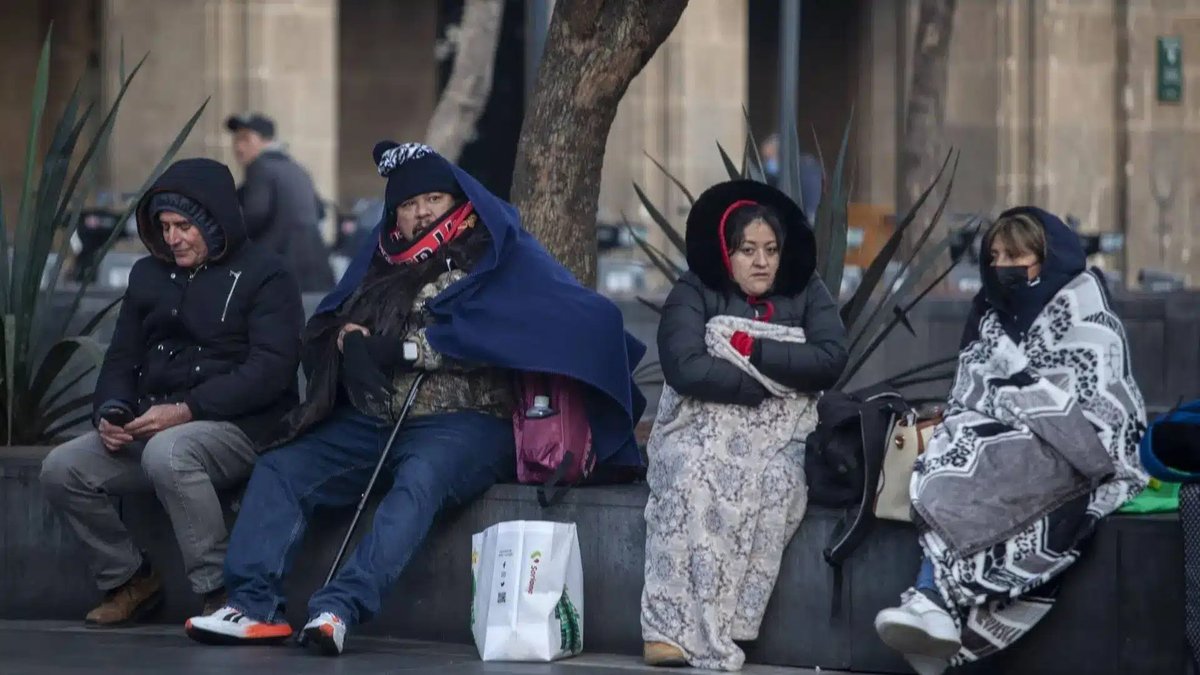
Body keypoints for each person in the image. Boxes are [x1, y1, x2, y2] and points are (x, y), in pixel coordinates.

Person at [184, 142, 647, 655]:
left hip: (467, 423)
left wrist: (404, 349)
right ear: (395, 216)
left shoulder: (499, 256)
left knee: (419, 482)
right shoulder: (381, 262)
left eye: (434, 199)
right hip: (376, 419)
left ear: (459, 204)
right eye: (409, 204)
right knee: (283, 467)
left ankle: (339, 606)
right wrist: (348, 343)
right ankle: (252, 605)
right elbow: (336, 321)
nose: (423, 211)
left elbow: (520, 331)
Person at [873, 207, 1148, 675]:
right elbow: (969, 387)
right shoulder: (988, 314)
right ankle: (932, 607)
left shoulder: (1086, 311)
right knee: (948, 456)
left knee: (999, 467)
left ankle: (933, 600)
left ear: (1046, 258)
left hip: (1072, 447)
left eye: (1016, 255)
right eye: (995, 255)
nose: (1002, 265)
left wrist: (1026, 410)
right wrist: (1000, 414)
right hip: (994, 436)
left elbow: (1105, 406)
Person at [39, 158, 305, 628]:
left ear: (215, 221)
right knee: (62, 467)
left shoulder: (269, 276)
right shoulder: (147, 275)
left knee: (169, 452)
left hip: (243, 427)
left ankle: (221, 595)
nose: (173, 238)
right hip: (156, 423)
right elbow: (121, 358)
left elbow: (272, 370)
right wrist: (112, 411)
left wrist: (188, 409)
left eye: (184, 226)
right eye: (165, 226)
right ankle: (129, 581)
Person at [641, 180, 849, 670]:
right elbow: (685, 366)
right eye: (748, 250)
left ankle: (730, 622)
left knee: (775, 485)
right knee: (692, 475)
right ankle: (667, 629)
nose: (761, 262)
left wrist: (752, 349)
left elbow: (829, 358)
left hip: (782, 435)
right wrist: (753, 386)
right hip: (698, 427)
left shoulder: (807, 290)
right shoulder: (695, 289)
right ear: (725, 252)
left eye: (771, 250)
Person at [225, 112, 335, 292]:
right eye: (236, 140)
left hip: (278, 275)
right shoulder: (297, 169)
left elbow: (255, 214)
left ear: (266, 140)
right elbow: (320, 211)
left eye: (245, 139)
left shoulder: (260, 167)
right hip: (315, 275)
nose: (238, 146)